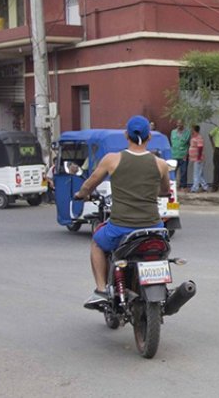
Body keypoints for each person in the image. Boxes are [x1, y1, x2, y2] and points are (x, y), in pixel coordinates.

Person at [74, 115, 170, 310]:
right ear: (149, 137)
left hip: (121, 227)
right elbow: (165, 191)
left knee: (96, 243)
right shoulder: (160, 164)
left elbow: (91, 182)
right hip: (154, 227)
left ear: (126, 135)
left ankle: (101, 290)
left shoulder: (112, 160)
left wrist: (81, 194)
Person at [170, 119, 190, 189]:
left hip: (183, 155)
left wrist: (186, 154)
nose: (178, 125)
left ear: (183, 124)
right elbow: (172, 143)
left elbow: (188, 144)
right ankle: (173, 186)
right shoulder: (173, 132)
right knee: (173, 171)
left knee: (183, 171)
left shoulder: (187, 133)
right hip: (174, 155)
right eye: (178, 123)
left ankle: (183, 186)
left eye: (180, 123)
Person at [189, 125, 210, 192]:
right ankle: (205, 186)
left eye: (192, 129)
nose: (191, 130)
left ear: (194, 130)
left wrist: (198, 157)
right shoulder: (193, 137)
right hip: (194, 158)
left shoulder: (199, 137)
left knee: (196, 173)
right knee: (199, 174)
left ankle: (195, 188)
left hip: (198, 159)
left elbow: (200, 147)